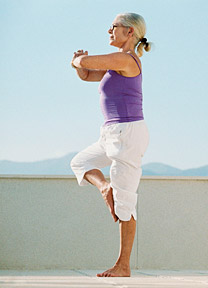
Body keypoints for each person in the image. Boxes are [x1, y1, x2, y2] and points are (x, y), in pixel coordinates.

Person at [70, 12, 151, 277]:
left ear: (129, 32)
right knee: (81, 162)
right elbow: (86, 73)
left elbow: (83, 62)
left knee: (125, 200)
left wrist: (78, 59)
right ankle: (105, 187)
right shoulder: (115, 63)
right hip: (111, 133)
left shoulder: (125, 59)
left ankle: (123, 265)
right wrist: (80, 65)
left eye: (113, 27)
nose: (109, 31)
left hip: (127, 133)